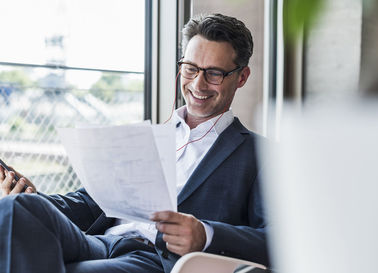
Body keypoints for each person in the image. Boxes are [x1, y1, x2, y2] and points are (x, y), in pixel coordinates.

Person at [0, 13, 268, 273]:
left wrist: (205, 234)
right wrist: (33, 197)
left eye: (214, 73)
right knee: (17, 208)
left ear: (241, 77)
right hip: (100, 242)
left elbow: (280, 241)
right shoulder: (148, 137)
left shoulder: (260, 155)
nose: (198, 83)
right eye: (191, 68)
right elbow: (90, 203)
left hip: (156, 258)